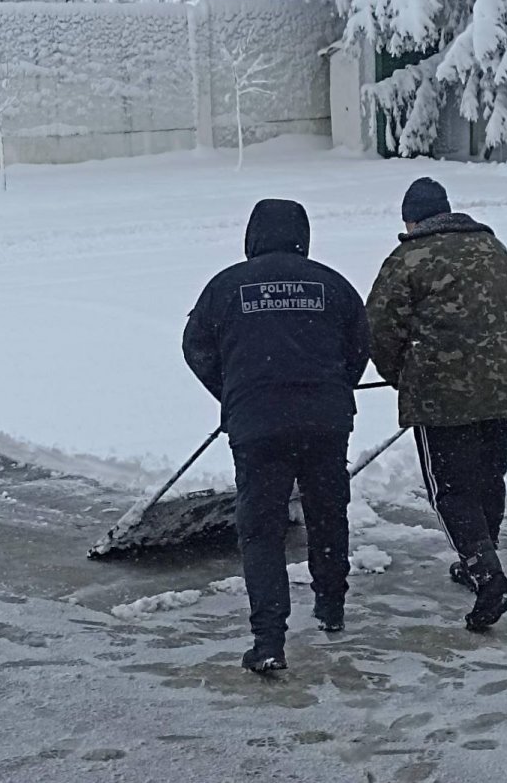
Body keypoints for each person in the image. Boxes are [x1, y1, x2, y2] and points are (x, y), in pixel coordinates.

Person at [183, 199, 369, 673]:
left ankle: (268, 640)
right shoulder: (332, 284)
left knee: (262, 530)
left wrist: (232, 392)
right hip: (325, 423)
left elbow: (195, 346)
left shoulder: (226, 287)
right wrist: (333, 386)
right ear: (302, 236)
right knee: (327, 515)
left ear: (252, 236)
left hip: (257, 425)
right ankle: (331, 607)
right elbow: (360, 346)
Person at [366, 178, 507, 632]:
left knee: (451, 490)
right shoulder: (497, 251)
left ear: (412, 218)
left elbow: (379, 330)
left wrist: (398, 376)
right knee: (487, 478)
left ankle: (489, 577)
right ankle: (483, 559)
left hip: (443, 396)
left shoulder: (408, 258)